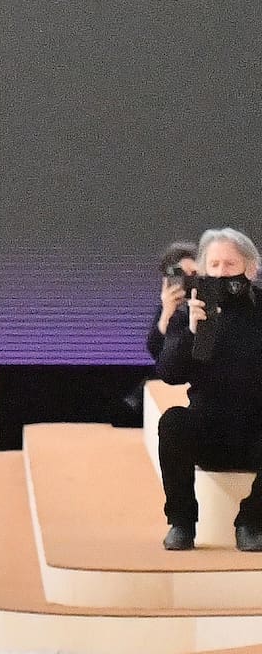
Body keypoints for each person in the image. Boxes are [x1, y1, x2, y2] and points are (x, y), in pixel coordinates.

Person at [156, 227, 262, 551]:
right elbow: (169, 373)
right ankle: (182, 524)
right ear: (202, 270)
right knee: (172, 422)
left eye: (229, 264)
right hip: (208, 429)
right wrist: (190, 332)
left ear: (251, 268)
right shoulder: (193, 311)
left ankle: (251, 521)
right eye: (213, 265)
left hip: (255, 431)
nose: (220, 272)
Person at [147, 240, 198, 364]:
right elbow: (155, 350)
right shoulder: (169, 309)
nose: (188, 280)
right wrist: (166, 313)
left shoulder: (213, 304)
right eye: (182, 274)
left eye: (194, 274)